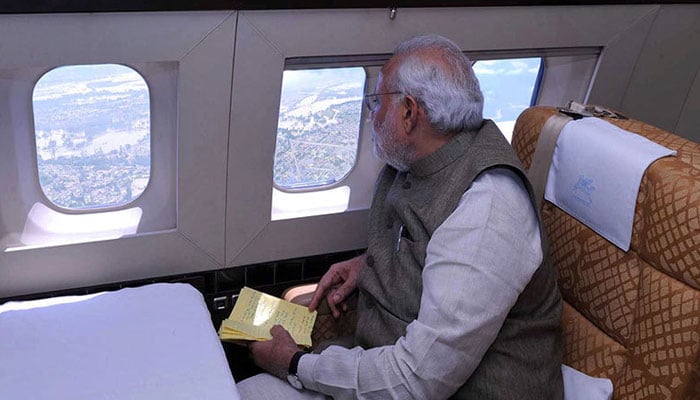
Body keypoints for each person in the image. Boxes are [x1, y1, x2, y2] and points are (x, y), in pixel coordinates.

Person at [238, 33, 563, 399]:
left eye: (377, 102)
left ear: (409, 112)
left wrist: (294, 364)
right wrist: (373, 263)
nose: (371, 115)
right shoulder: (418, 158)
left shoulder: (488, 207)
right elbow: (435, 246)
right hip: (389, 358)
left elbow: (416, 380)